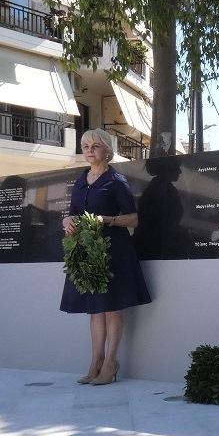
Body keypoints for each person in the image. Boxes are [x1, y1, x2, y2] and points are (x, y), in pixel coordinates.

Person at [60, 128, 151, 385]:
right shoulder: (81, 179)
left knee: (111, 307)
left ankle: (111, 363)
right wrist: (67, 221)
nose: (89, 151)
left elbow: (133, 219)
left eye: (95, 146)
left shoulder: (116, 181)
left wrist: (106, 220)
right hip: (88, 251)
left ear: (107, 150)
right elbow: (73, 212)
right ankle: (95, 362)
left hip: (113, 251)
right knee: (95, 309)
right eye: (86, 147)